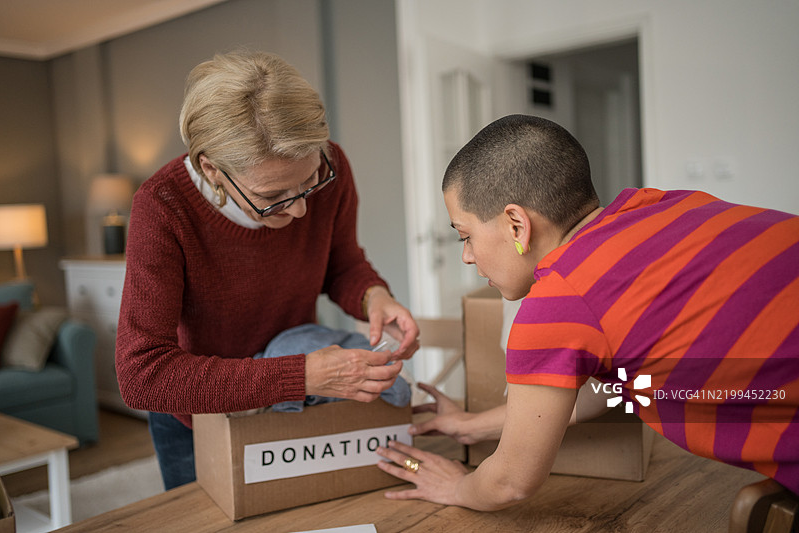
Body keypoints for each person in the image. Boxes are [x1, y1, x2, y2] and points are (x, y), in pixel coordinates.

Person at [376, 114, 799, 509]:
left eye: (465, 236)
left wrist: (455, 487)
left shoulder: (559, 301)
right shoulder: (661, 205)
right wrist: (472, 426)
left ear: (516, 225)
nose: (467, 257)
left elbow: (511, 482)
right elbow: (607, 390)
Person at [115, 50, 419, 490]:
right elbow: (144, 376)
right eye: (273, 196)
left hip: (298, 400)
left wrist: (375, 297)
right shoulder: (162, 208)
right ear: (212, 169)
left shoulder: (332, 166)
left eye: (310, 183)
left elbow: (341, 262)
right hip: (199, 416)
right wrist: (303, 375)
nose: (298, 210)